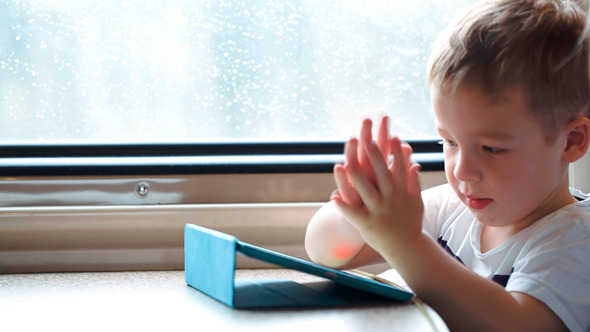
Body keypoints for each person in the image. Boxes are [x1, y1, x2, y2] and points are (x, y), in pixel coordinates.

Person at [304, 0, 590, 330]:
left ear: (571, 141)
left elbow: (518, 325)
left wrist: (406, 242)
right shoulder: (454, 209)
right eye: (450, 142)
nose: (461, 170)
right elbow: (326, 252)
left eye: (491, 149)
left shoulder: (575, 241)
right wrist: (361, 212)